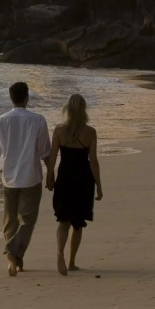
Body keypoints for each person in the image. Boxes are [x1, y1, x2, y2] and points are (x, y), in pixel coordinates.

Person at [0, 81, 51, 277]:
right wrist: (52, 174)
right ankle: (14, 254)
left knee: (10, 222)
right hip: (31, 177)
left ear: (11, 98)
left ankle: (15, 258)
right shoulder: (38, 120)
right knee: (27, 221)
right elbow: (44, 151)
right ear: (27, 98)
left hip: (9, 178)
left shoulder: (0, 121)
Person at [44, 93, 103, 276]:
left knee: (63, 221)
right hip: (83, 180)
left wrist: (50, 176)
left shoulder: (59, 131)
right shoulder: (90, 132)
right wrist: (99, 186)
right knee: (77, 223)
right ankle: (71, 262)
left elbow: (52, 157)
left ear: (67, 110)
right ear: (84, 110)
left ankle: (60, 253)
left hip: (65, 178)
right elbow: (93, 160)